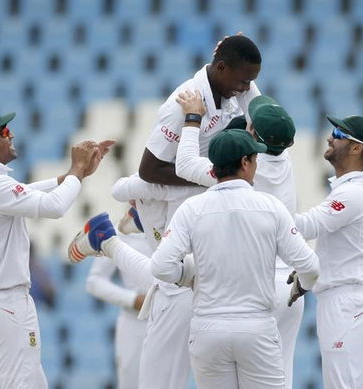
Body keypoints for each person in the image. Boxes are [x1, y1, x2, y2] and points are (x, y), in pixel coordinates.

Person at [68, 128, 320, 388]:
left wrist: (189, 274)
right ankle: (117, 237)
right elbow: (310, 266)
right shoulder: (271, 206)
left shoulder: (192, 207)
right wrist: (301, 286)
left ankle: (116, 238)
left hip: (207, 327)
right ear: (245, 163)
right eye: (255, 159)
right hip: (255, 326)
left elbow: (161, 266)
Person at [118, 34, 262, 389]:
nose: (246, 88)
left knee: (191, 310)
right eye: (243, 80)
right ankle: (110, 240)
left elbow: (259, 102)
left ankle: (112, 240)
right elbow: (150, 170)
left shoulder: (230, 88)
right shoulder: (181, 103)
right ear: (222, 68)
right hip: (170, 209)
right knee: (174, 299)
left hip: (193, 209)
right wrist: (213, 179)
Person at [0, 110, 112, 388]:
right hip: (5, 303)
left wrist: (75, 175)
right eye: (3, 132)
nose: (11, 134)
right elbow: (53, 207)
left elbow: (23, 191)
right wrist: (76, 170)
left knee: (32, 382)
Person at [169, 90, 303, 389]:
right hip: (289, 289)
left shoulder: (245, 168)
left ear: (252, 135)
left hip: (254, 288)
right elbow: (263, 115)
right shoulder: (282, 153)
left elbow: (186, 164)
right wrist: (247, 79)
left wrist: (193, 118)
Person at [289, 115, 363, 388]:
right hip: (341, 300)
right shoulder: (351, 190)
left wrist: (260, 212)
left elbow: (307, 226)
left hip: (347, 301)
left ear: (357, 148)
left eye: (339, 133)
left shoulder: (355, 193)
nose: (330, 137)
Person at [85, 230, 152, 389]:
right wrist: (132, 299)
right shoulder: (117, 233)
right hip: (134, 323)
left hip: (170, 321)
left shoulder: (173, 224)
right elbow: (94, 282)